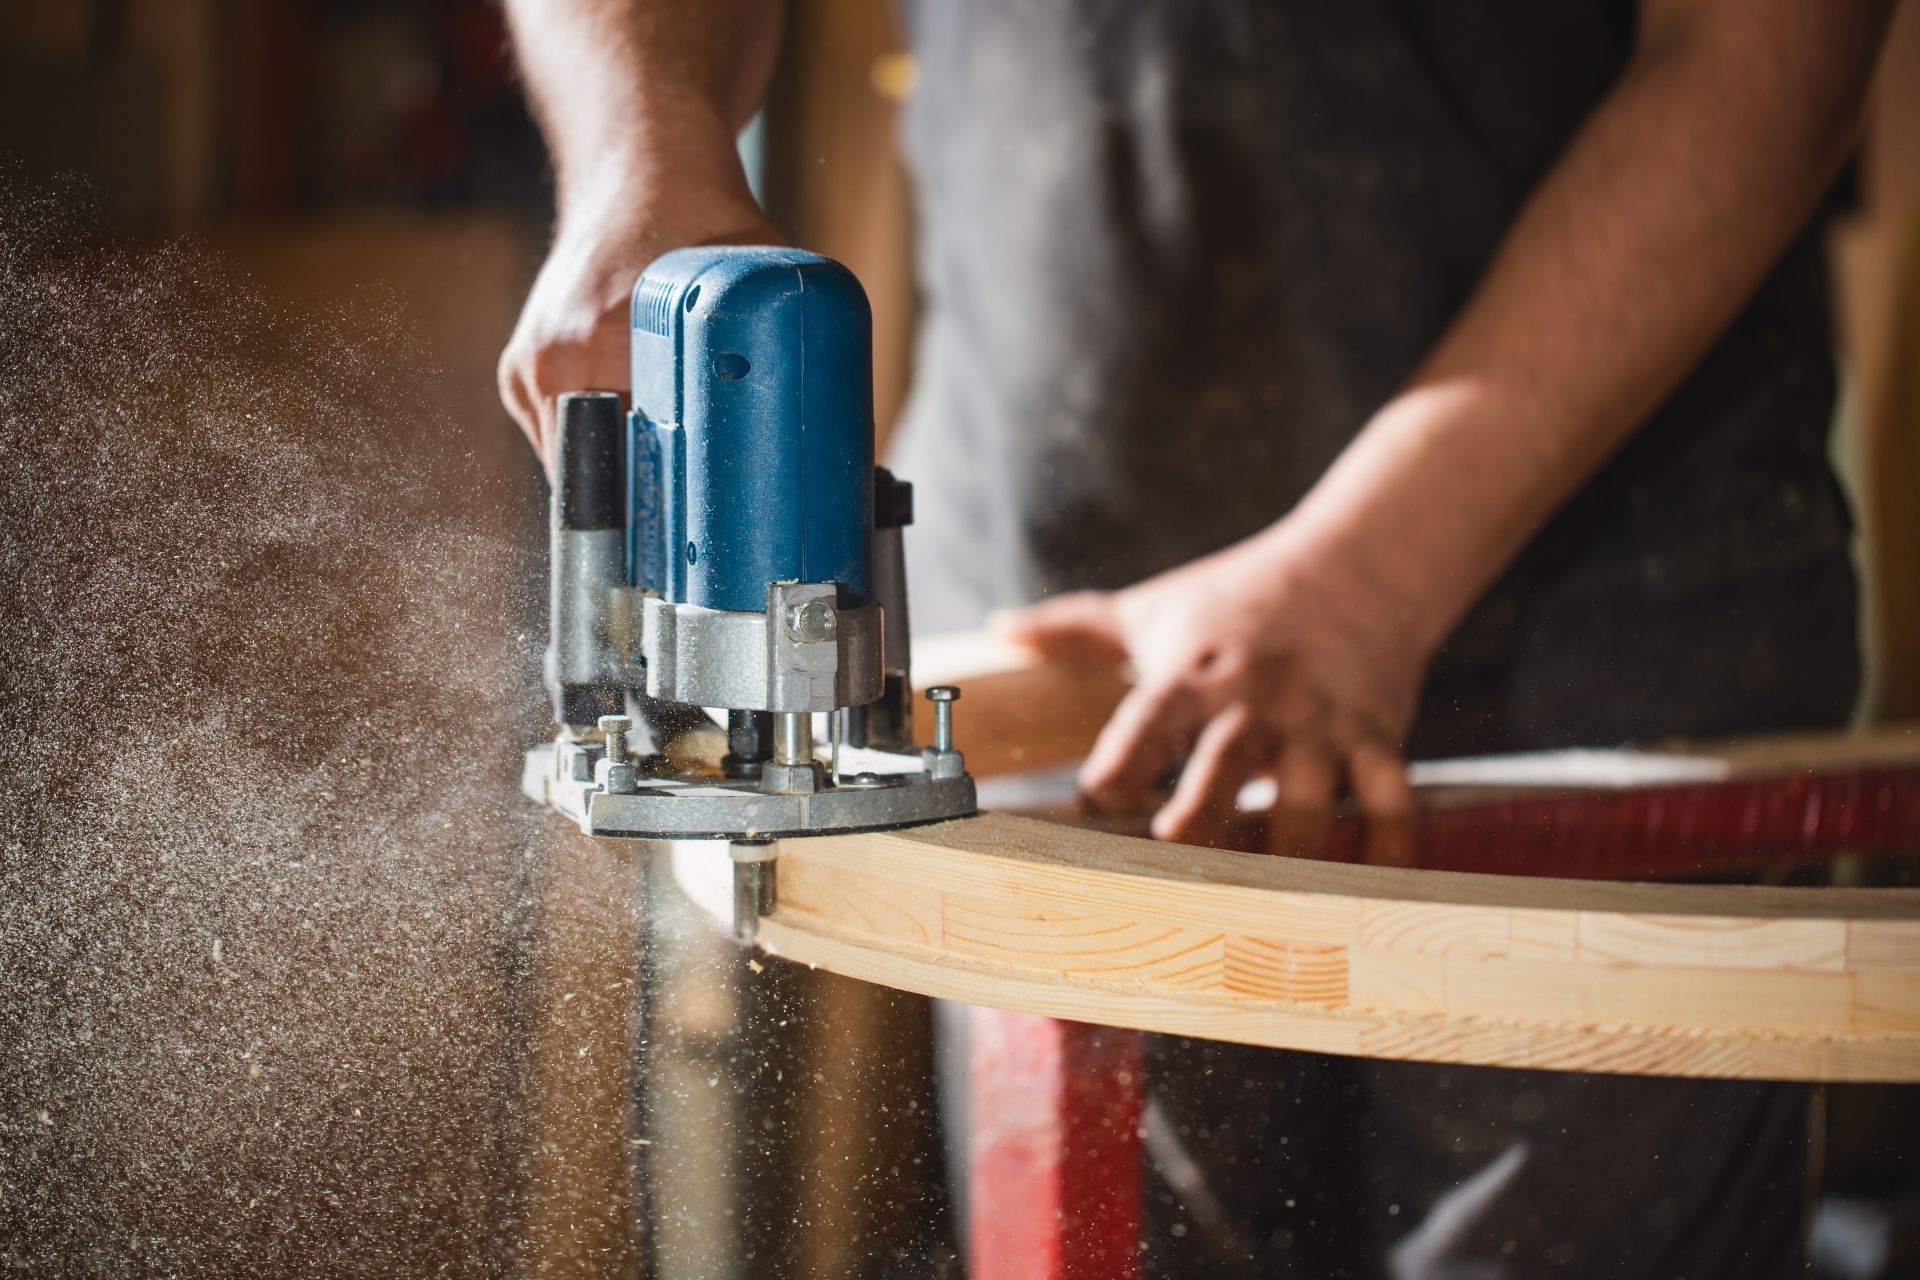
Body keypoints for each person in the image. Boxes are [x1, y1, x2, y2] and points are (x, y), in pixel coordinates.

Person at [498, 2, 1894, 1274]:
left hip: (1619, 593)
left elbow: (1775, 45)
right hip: (1069, 614)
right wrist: (644, 153)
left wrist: (1368, 576)